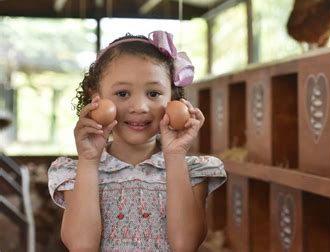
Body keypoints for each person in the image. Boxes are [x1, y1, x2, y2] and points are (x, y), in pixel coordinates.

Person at [48, 30, 227, 251]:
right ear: (96, 98)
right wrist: (88, 159)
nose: (140, 107)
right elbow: (82, 246)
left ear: (173, 98)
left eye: (153, 93)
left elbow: (185, 244)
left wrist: (175, 155)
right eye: (122, 93)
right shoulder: (76, 172)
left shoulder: (191, 171)